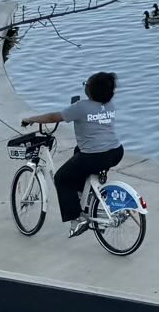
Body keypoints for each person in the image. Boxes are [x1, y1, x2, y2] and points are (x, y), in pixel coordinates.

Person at [19, 72, 123, 236]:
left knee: (61, 178)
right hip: (116, 152)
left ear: (91, 90)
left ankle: (77, 218)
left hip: (94, 156)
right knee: (78, 152)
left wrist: (32, 119)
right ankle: (86, 196)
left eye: (86, 85)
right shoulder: (109, 105)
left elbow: (55, 116)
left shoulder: (81, 107)